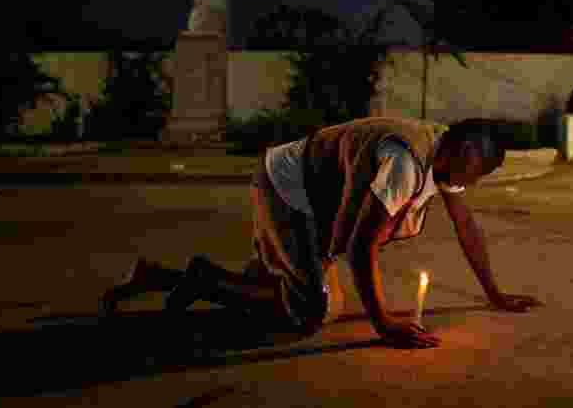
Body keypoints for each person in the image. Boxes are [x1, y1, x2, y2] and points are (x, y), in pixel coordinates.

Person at [99, 117, 543, 349]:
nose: (474, 181)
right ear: (464, 150)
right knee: (309, 313)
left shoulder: (445, 152)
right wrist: (384, 324)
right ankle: (196, 279)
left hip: (317, 197)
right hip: (289, 190)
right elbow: (360, 243)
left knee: (309, 300)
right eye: (476, 170)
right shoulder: (406, 163)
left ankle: (160, 277)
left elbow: (466, 226)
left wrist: (495, 293)